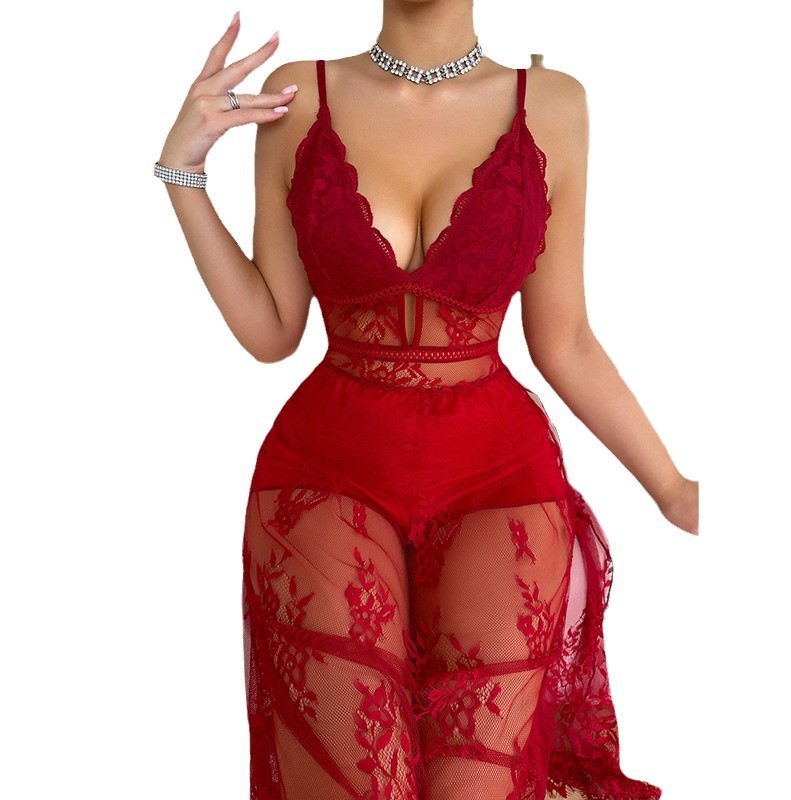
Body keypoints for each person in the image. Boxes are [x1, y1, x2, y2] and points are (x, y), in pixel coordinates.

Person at [155, 3, 699, 798]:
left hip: (498, 481)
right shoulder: (300, 97)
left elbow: (565, 341)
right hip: (326, 476)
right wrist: (183, 175)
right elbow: (273, 330)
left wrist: (676, 490)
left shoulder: (553, 105)